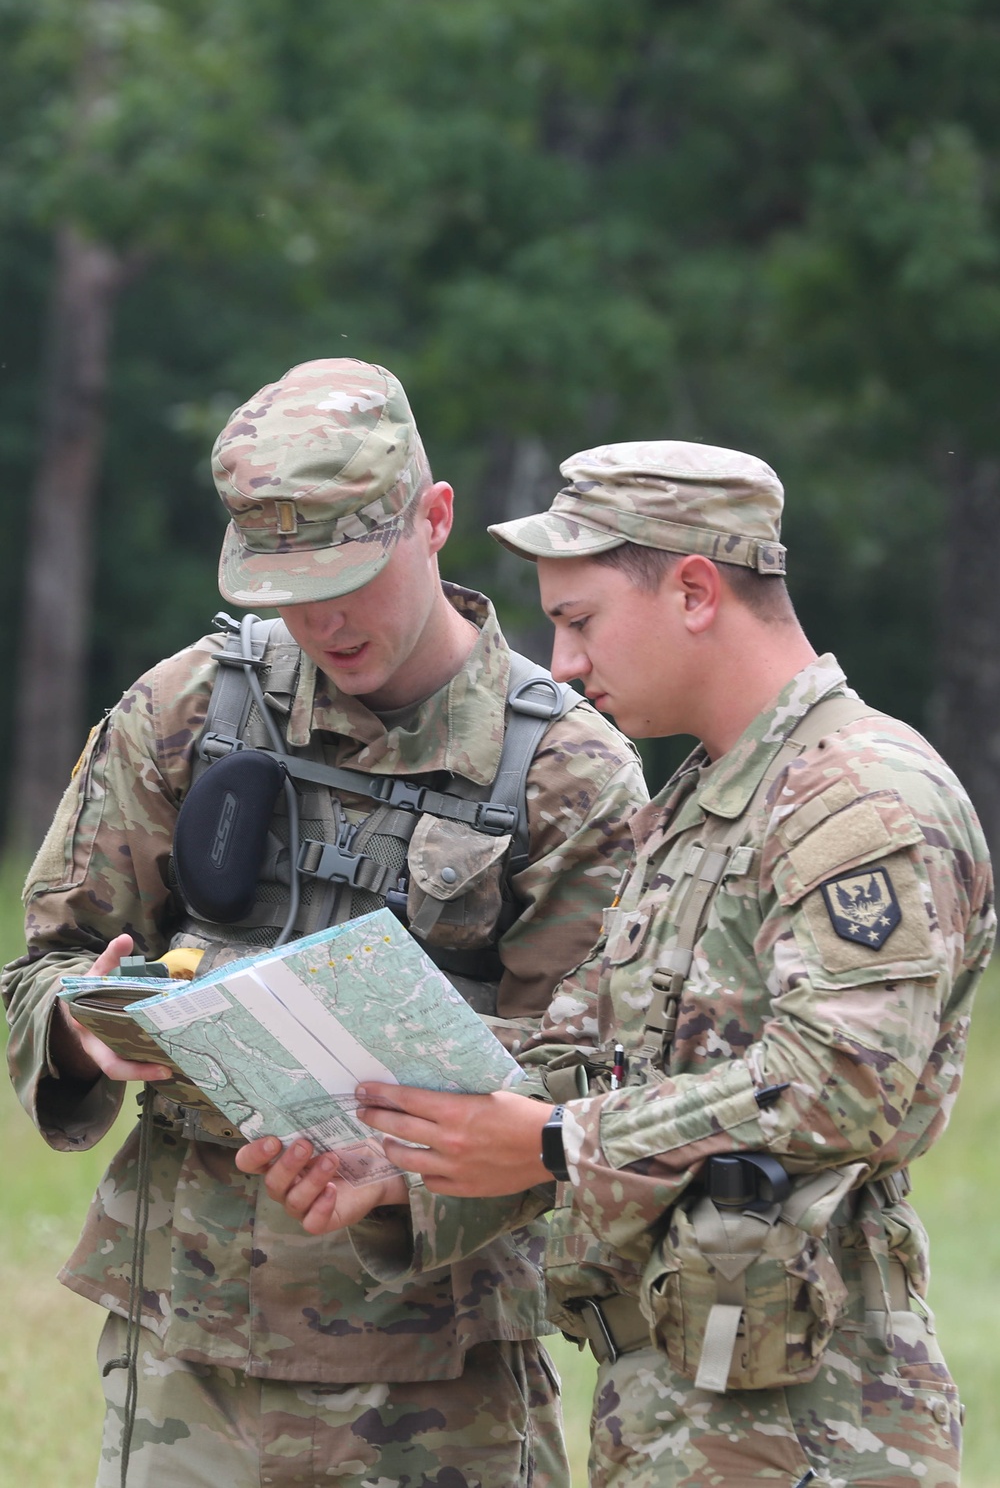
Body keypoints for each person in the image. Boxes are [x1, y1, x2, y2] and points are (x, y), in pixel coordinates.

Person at [248, 441, 995, 1487]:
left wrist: (555, 1141)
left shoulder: (856, 795)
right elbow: (601, 1060)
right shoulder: (698, 804)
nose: (561, 663)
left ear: (694, 591)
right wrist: (406, 1152)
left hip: (818, 1426)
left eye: (580, 619)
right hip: (680, 1404)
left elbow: (849, 1084)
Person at [1, 359, 648, 1488]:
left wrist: (418, 1162)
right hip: (181, 1352)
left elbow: (600, 1084)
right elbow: (45, 964)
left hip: (436, 1376)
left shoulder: (568, 773)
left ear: (434, 520)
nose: (322, 618)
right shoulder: (189, 708)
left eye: (351, 574)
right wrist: (79, 1021)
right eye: (285, 585)